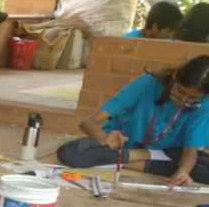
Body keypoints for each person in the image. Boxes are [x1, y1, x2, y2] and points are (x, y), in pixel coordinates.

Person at [57, 55, 209, 186]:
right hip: (119, 147)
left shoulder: (204, 103)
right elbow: (88, 122)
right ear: (175, 75)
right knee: (70, 153)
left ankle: (121, 160)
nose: (183, 100)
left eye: (193, 98)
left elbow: (190, 150)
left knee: (201, 170)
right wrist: (104, 137)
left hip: (166, 153)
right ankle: (143, 156)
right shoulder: (148, 83)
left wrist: (182, 173)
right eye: (180, 91)